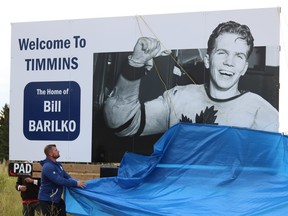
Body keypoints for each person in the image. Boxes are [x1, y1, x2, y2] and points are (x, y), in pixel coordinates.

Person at [103, 21, 279, 136]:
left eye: (239, 56)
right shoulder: (179, 98)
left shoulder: (262, 113)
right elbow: (121, 124)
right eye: (222, 53)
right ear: (208, 61)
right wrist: (135, 64)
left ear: (244, 68)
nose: (229, 63)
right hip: (178, 191)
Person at [38, 144, 86, 216]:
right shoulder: (47, 166)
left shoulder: (58, 165)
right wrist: (76, 183)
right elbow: (59, 180)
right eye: (56, 150)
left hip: (56, 199)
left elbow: (66, 176)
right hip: (47, 200)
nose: (58, 151)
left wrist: (76, 181)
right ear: (50, 154)